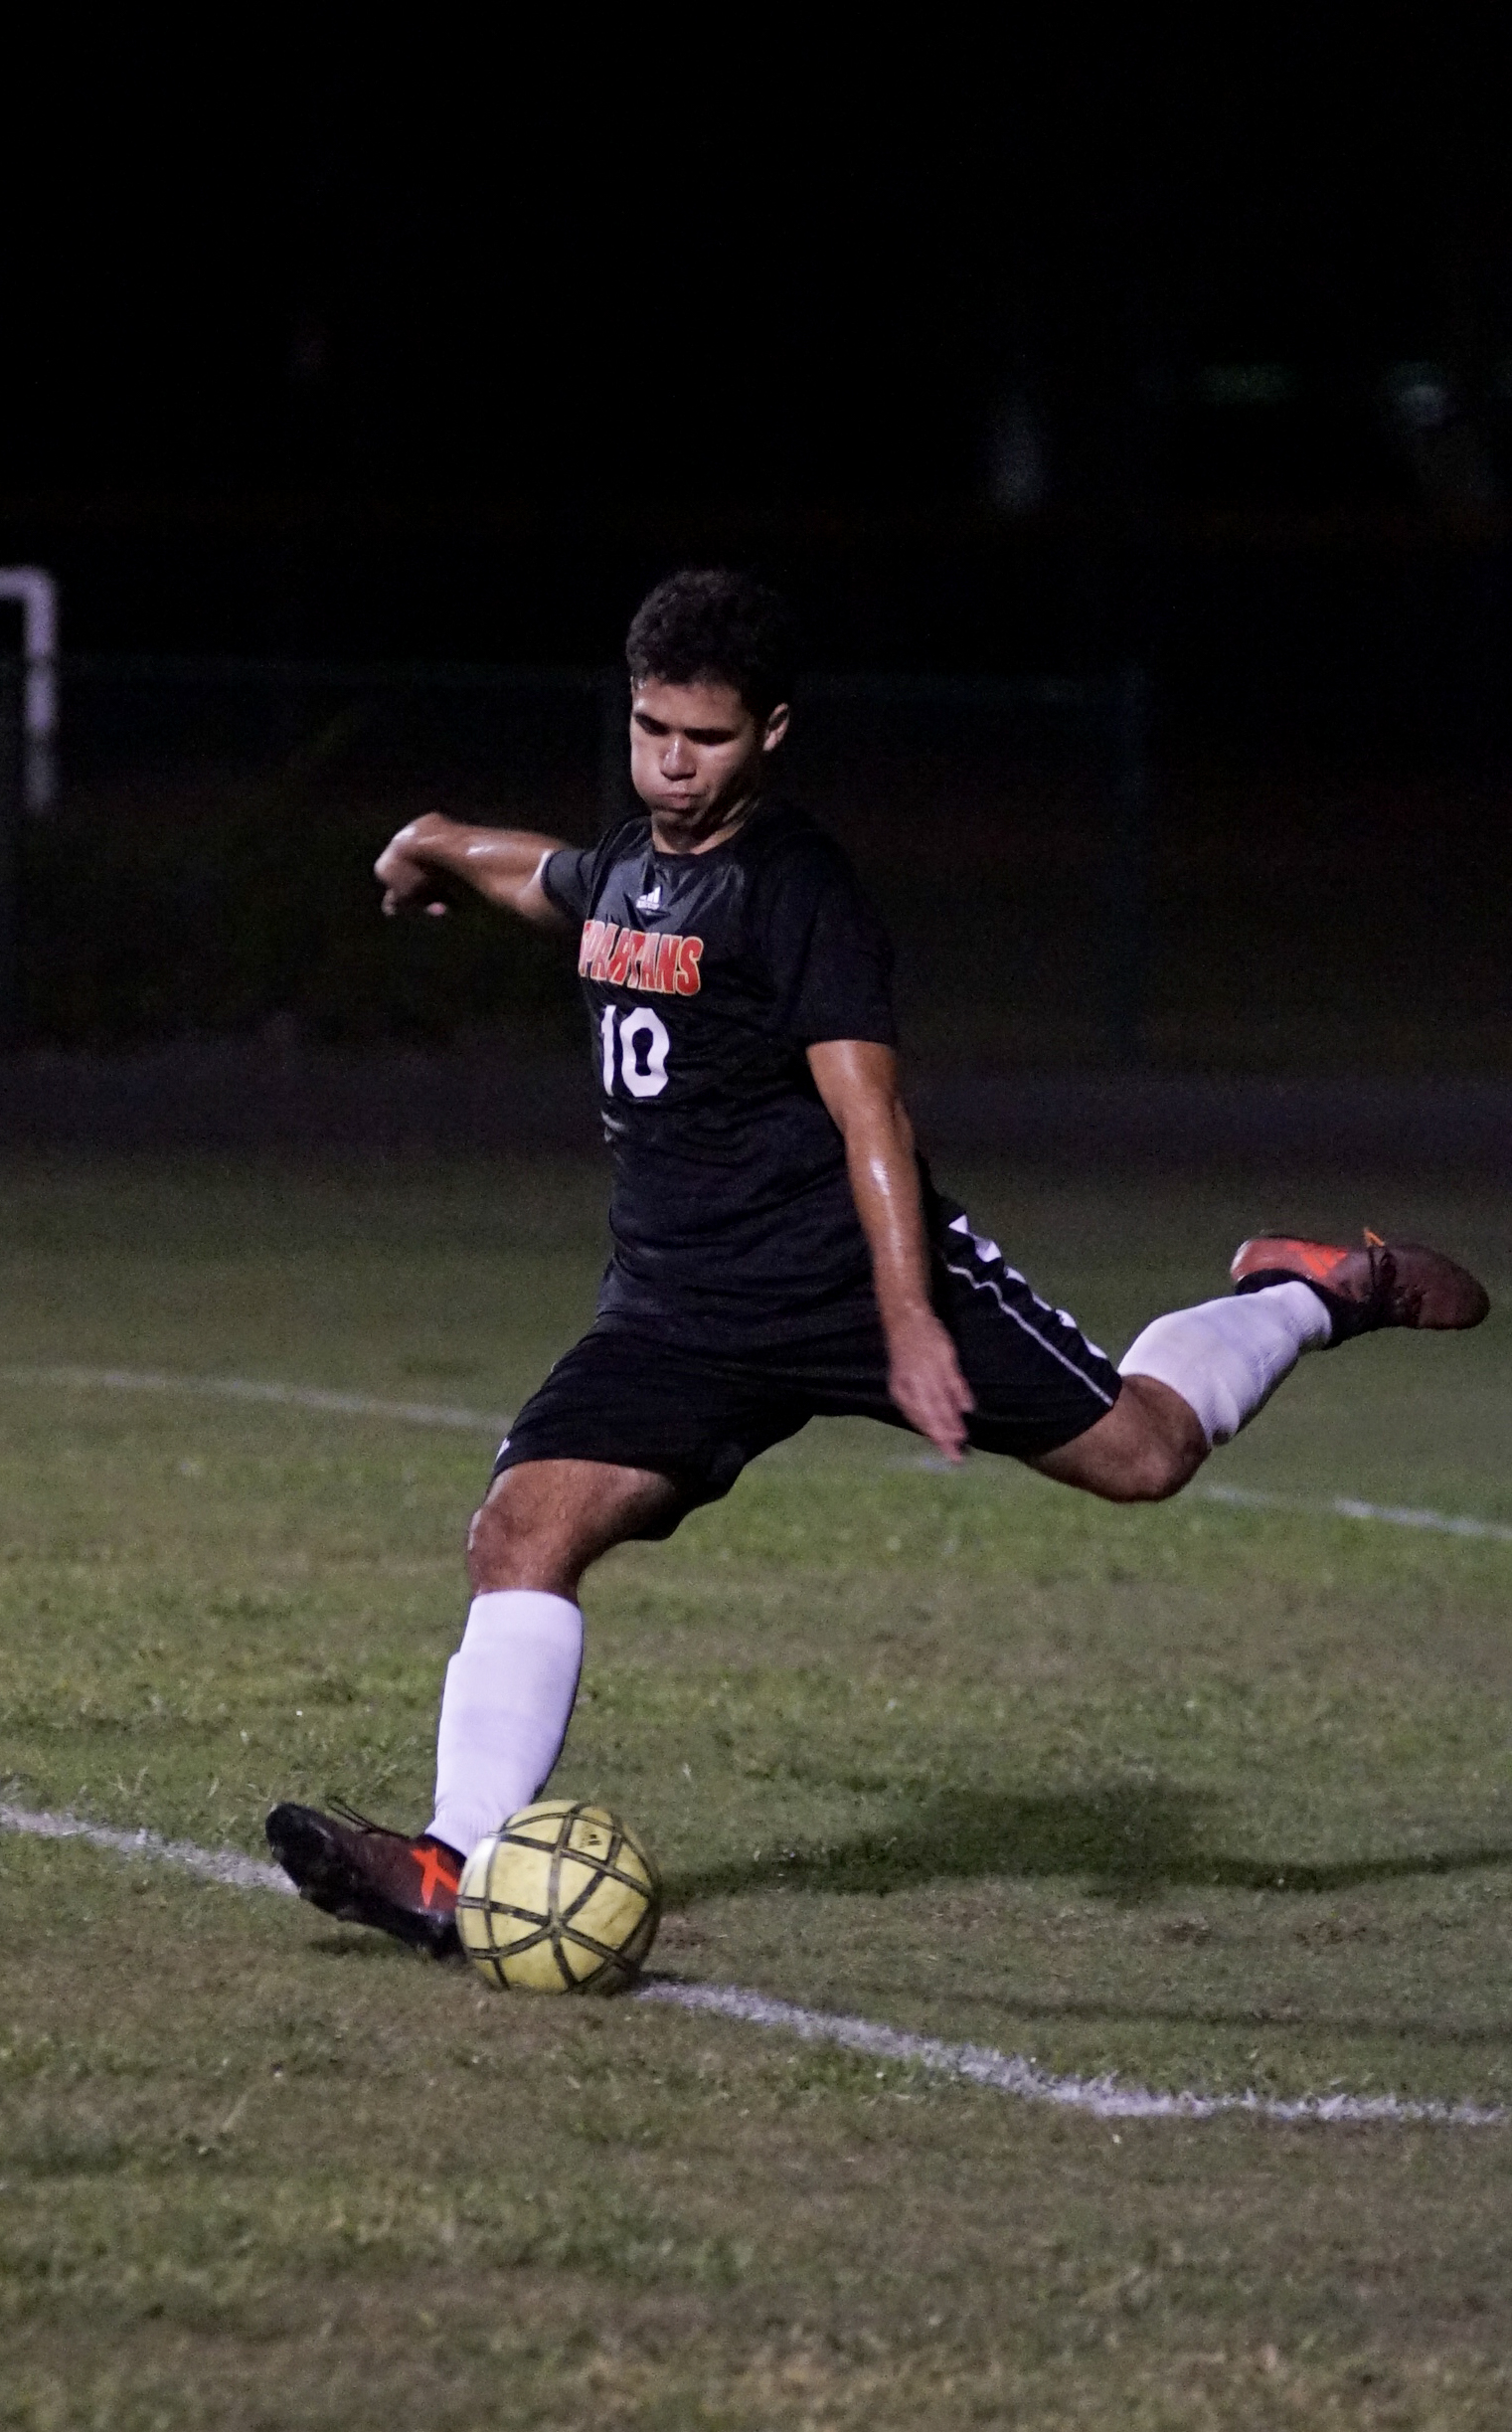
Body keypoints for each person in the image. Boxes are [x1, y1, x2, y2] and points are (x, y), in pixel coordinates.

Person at [265, 569, 1489, 1955]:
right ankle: (450, 1863)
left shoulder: (800, 894)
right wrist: (428, 841)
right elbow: (553, 882)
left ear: (772, 732)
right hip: (675, 1314)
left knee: (1141, 1456)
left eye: (707, 738)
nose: (672, 762)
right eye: (650, 728)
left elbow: (871, 1117)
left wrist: (907, 1316)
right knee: (520, 1533)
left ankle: (1305, 1288)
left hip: (848, 1278)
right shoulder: (632, 863)